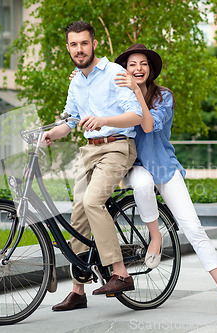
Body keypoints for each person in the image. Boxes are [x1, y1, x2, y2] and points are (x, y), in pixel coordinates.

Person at [113, 43, 217, 314]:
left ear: (150, 69)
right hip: (135, 165)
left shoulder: (164, 97)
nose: (138, 68)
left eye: (143, 64)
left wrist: (137, 92)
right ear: (125, 70)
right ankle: (155, 237)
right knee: (141, 183)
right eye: (132, 65)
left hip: (164, 166)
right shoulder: (116, 96)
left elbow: (148, 125)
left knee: (194, 229)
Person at [41, 21, 143, 312]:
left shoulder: (114, 73)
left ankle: (121, 273)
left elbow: (135, 115)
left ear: (94, 43)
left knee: (93, 201)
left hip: (117, 146)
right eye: (73, 44)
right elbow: (70, 122)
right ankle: (78, 290)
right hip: (89, 151)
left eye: (84, 43)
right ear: (68, 48)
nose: (79, 49)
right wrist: (49, 133)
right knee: (78, 217)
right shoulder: (76, 81)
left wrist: (103, 120)